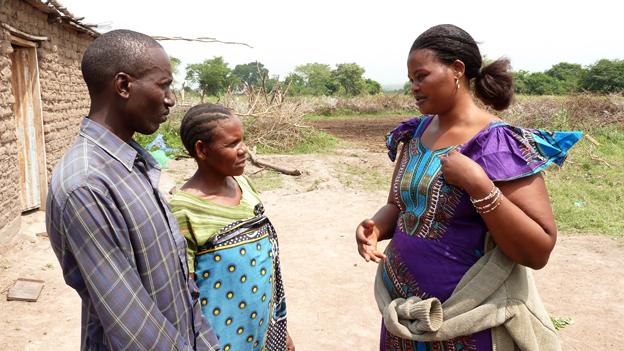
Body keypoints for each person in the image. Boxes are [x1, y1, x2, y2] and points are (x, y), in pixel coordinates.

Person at [355, 24, 581, 350]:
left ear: (457, 69)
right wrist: (376, 227)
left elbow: (538, 249)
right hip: (402, 319)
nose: (414, 87)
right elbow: (399, 207)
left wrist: (478, 185)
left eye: (422, 76)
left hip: (466, 321)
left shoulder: (499, 143)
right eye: (411, 80)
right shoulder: (414, 134)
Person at [46, 30, 219, 350]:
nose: (171, 98)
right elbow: (134, 329)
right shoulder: (87, 185)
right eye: (163, 85)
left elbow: (181, 284)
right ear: (123, 86)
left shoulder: (133, 164)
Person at [170, 103, 295, 351]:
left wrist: (280, 330)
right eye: (232, 144)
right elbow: (183, 296)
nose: (244, 150)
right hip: (218, 340)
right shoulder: (183, 210)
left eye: (243, 141)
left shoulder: (245, 186)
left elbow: (265, 270)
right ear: (202, 150)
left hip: (262, 331)